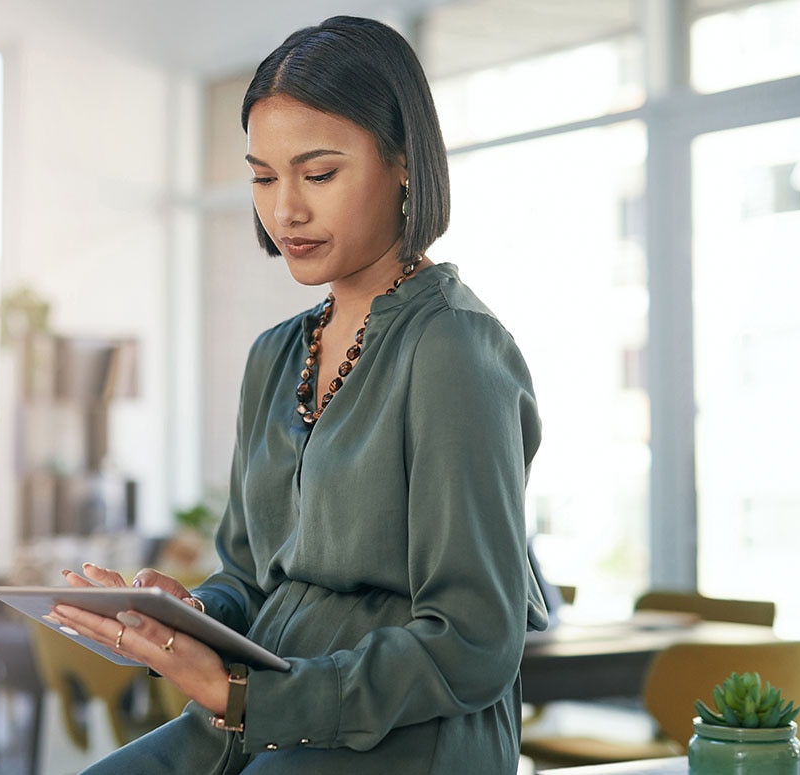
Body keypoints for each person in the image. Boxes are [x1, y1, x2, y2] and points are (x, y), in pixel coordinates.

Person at [50, 16, 548, 774]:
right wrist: (185, 615)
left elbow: (474, 640)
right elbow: (250, 580)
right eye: (261, 176)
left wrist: (252, 696)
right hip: (256, 710)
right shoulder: (274, 355)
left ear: (404, 163)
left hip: (406, 730)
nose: (285, 210)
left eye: (318, 174)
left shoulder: (454, 350)